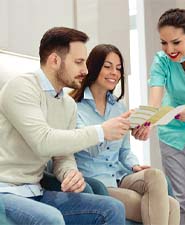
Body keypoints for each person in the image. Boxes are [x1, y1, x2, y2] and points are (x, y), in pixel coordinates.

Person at [0, 27, 130, 225]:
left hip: (36, 191)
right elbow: (43, 141)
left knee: (112, 208)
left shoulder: (67, 104)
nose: (85, 70)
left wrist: (69, 173)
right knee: (52, 219)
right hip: (5, 191)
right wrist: (100, 131)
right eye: (78, 62)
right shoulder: (21, 88)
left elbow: (62, 155)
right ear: (54, 60)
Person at [71, 44, 180, 225]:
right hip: (96, 182)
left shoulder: (119, 107)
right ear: (93, 67)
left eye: (118, 68)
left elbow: (124, 151)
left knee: (156, 176)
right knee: (171, 207)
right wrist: (107, 131)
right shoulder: (74, 107)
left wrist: (134, 165)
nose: (114, 72)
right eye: (108, 66)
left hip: (120, 176)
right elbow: (87, 148)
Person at [147, 8, 185, 225]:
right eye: (164, 43)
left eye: (176, 42)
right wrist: (148, 121)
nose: (169, 49)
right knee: (181, 199)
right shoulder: (161, 61)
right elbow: (155, 99)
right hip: (172, 133)